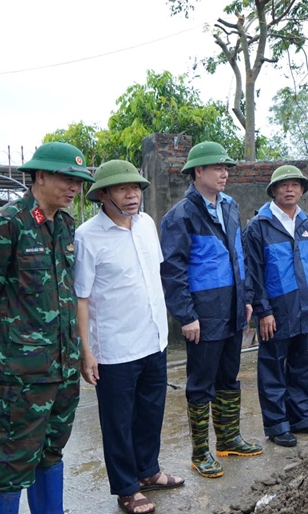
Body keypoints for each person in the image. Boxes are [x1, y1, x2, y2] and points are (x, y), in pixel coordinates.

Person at [0, 142, 94, 513]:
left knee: (51, 452)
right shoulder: (8, 223)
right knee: (14, 460)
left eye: (78, 181)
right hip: (23, 374)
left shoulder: (66, 225)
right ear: (40, 175)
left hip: (63, 367)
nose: (74, 187)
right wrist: (15, 341)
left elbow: (68, 293)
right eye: (66, 178)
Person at [74, 160, 184, 514]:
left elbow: (155, 275)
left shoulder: (147, 224)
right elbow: (82, 298)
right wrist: (86, 351)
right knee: (118, 422)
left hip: (153, 339)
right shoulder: (87, 236)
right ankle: (126, 488)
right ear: (103, 195)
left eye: (136, 187)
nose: (132, 194)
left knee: (151, 411)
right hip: (114, 348)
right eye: (122, 188)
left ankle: (148, 471)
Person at [160, 142, 262, 479]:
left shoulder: (230, 207)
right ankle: (200, 451)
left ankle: (229, 439)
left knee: (229, 377)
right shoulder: (181, 216)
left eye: (226, 167)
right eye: (217, 167)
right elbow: (173, 271)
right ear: (197, 172)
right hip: (203, 314)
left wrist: (246, 298)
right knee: (201, 383)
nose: (224, 173)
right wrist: (186, 315)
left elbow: (239, 255)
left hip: (233, 308)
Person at [243, 165, 308, 448]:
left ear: (302, 190)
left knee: (304, 363)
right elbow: (253, 272)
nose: (290, 189)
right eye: (283, 185)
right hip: (277, 310)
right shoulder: (259, 226)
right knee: (273, 366)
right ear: (273, 190)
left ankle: (301, 415)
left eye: (295, 185)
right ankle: (277, 423)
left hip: (307, 306)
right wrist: (263, 311)